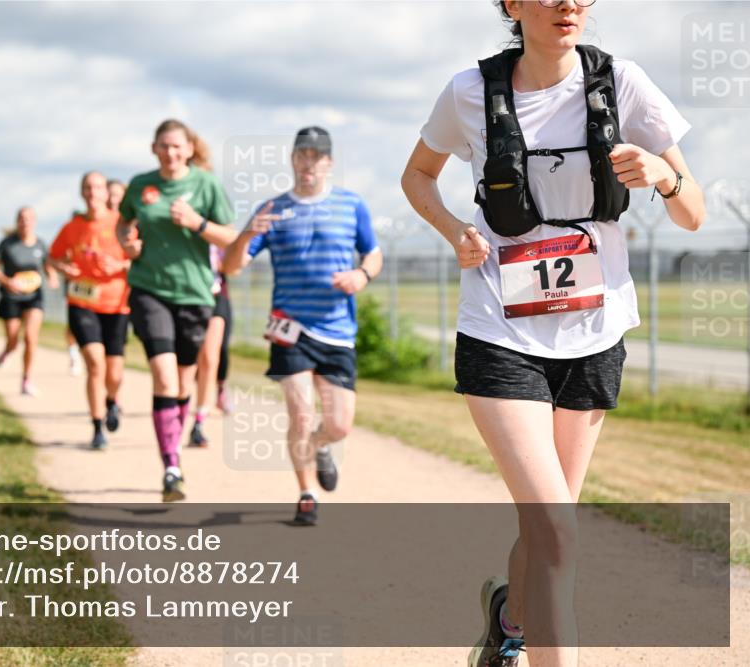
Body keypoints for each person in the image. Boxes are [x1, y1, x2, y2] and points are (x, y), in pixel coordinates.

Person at [400, 2, 705, 665]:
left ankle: (510, 615)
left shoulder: (622, 83)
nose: (568, 3)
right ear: (511, 4)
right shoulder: (470, 91)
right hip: (499, 333)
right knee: (559, 533)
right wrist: (456, 231)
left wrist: (664, 175)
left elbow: (693, 213)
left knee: (545, 529)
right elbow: (416, 176)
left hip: (594, 336)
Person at [223, 126, 383, 526]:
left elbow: (373, 253)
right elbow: (231, 267)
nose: (308, 162)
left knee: (339, 425)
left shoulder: (351, 205)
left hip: (337, 331)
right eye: (302, 155)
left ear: (328, 162)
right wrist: (247, 235)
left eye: (316, 155)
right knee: (298, 413)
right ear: (293, 160)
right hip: (289, 328)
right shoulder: (271, 210)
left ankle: (321, 446)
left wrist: (361, 275)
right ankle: (307, 493)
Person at [117, 119, 237, 501]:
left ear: (189, 149)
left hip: (196, 295)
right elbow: (123, 224)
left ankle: (174, 448)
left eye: (177, 147)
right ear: (154, 148)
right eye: (163, 146)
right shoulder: (140, 185)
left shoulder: (207, 185)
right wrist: (127, 243)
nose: (170, 153)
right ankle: (171, 466)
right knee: (165, 379)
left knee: (184, 382)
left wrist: (197, 222)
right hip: (149, 290)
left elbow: (232, 238)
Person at [50, 172, 132, 449]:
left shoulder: (121, 224)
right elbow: (53, 257)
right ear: (81, 192)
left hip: (117, 304)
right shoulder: (72, 226)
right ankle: (97, 427)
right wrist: (64, 268)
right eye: (87, 187)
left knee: (114, 372)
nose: (92, 192)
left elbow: (140, 258)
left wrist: (119, 267)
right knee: (95, 364)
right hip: (82, 303)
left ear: (105, 192)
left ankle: (111, 401)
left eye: (97, 187)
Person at [0, 207, 59, 397]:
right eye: (22, 218)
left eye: (29, 218)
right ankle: (7, 351)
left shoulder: (40, 244)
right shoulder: (7, 244)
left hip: (34, 297)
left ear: (34, 221)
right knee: (13, 341)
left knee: (30, 337)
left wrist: (52, 277)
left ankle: (26, 379)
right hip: (11, 297)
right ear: (17, 221)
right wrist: (7, 281)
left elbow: (48, 266)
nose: (25, 221)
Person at [187, 244, 234, 447]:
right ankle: (177, 406)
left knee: (211, 356)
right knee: (188, 358)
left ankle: (198, 422)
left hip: (215, 295)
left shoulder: (220, 227)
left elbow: (234, 266)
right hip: (186, 295)